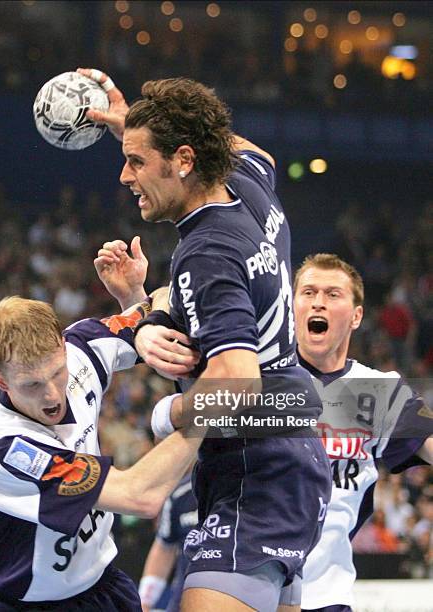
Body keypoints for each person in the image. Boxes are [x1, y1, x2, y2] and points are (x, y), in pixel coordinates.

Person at [80, 67, 332, 612]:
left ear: (185, 160)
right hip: (288, 457)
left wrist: (167, 415)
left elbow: (237, 381)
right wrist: (142, 311)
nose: (124, 175)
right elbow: (242, 146)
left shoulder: (206, 249)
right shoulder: (247, 185)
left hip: (255, 469)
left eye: (137, 160)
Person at [0, 239, 204, 611]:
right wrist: (212, 406)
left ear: (64, 348)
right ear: (0, 381)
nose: (51, 396)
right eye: (31, 385)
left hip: (105, 585)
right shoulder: (2, 448)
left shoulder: (82, 350)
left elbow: (164, 298)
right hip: (30, 605)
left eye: (57, 373)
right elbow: (139, 496)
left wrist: (134, 298)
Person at [291, 253, 433, 612]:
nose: (318, 301)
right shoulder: (254, 375)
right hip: (244, 590)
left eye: (333, 294)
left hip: (326, 597)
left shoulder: (381, 390)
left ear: (356, 316)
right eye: (308, 292)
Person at [138, 469, 198, 612]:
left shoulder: (256, 490)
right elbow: (164, 548)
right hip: (184, 601)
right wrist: (144, 603)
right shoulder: (180, 494)